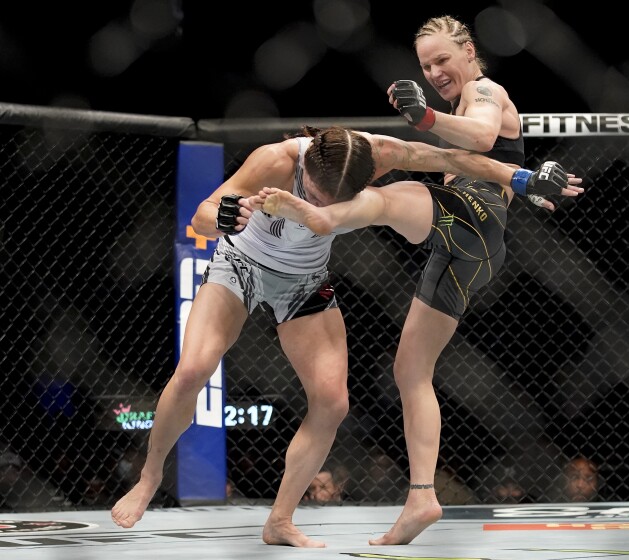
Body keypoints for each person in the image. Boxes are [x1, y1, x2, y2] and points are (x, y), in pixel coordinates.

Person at [110, 124, 578, 548]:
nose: (321, 208)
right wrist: (226, 217)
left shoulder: (379, 153)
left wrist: (521, 178)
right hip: (241, 265)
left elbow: (452, 159)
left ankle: (280, 520)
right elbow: (201, 216)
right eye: (316, 196)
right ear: (306, 168)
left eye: (334, 201)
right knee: (193, 369)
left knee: (333, 403)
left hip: (305, 280)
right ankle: (150, 476)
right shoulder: (275, 160)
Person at [258, 16, 583, 546]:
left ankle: (321, 217)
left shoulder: (484, 91)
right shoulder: (460, 106)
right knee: (410, 370)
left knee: (394, 196)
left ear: (469, 51)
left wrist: (425, 116)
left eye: (441, 60)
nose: (434, 73)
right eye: (426, 66)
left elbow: (482, 135)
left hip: (474, 217)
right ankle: (421, 497)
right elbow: (467, 146)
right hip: (471, 250)